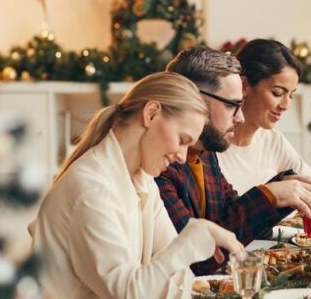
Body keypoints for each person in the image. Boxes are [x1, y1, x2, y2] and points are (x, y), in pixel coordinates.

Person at [29, 72, 245, 299]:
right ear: (151, 114)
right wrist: (189, 241)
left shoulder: (142, 182)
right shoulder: (92, 190)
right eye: (182, 140)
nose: (183, 157)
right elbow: (129, 293)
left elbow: (173, 273)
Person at [156, 46, 311, 275]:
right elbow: (200, 259)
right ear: (193, 100)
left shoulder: (205, 154)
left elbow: (231, 214)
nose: (240, 117)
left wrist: (284, 186)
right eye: (231, 105)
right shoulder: (160, 165)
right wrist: (272, 194)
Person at [218, 39, 311, 194]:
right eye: (277, 93)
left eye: (291, 95)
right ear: (244, 85)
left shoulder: (272, 139)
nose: (286, 105)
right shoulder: (210, 146)